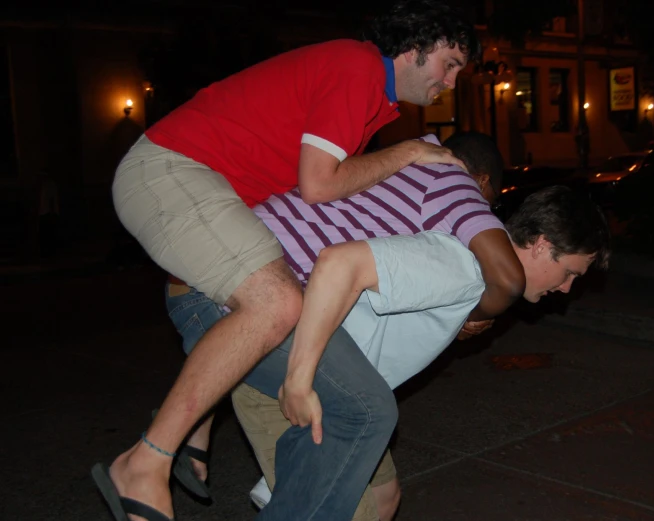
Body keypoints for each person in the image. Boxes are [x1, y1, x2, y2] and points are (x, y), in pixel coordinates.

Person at [91, 2, 481, 520]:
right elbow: (319, 185)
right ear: (413, 48)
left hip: (205, 193)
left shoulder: (368, 99)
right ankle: (145, 462)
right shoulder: (359, 66)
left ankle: (189, 434)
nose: (450, 83)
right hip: (172, 169)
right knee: (276, 302)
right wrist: (407, 153)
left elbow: (305, 208)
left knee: (263, 299)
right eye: (449, 64)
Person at [166, 137, 609, 519]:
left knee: (383, 495)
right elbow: (340, 262)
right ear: (544, 244)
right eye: (571, 272)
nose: (567, 290)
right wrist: (299, 380)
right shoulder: (465, 266)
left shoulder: (464, 267)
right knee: (367, 422)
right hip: (284, 361)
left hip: (307, 350)